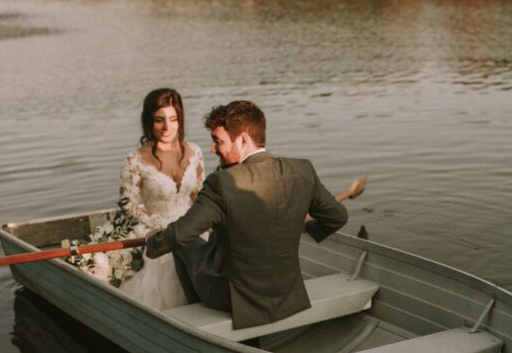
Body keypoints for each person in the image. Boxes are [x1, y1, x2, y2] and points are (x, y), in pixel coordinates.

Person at [145, 100, 350, 329]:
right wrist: (310, 227)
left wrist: (153, 242)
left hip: (234, 299)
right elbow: (338, 217)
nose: (213, 149)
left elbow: (180, 234)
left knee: (181, 243)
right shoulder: (302, 169)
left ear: (243, 140)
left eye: (217, 141)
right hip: (286, 293)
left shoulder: (222, 182)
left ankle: (197, 317)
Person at [75, 88, 204, 309]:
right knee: (168, 270)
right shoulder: (136, 160)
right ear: (149, 121)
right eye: (159, 120)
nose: (167, 127)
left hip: (193, 227)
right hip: (158, 230)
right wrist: (159, 226)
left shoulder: (194, 152)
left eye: (173, 119)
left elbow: (199, 196)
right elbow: (128, 206)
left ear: (180, 119)